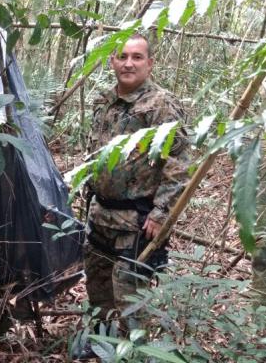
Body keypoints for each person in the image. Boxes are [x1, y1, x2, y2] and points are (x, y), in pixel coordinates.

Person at [79, 33, 190, 346]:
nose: (128, 63)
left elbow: (178, 163)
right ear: (113, 61)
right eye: (122, 56)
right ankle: (98, 345)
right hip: (101, 213)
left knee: (130, 298)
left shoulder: (162, 105)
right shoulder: (103, 101)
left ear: (150, 63)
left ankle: (134, 352)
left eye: (137, 57)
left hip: (139, 220)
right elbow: (93, 151)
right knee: (98, 291)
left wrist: (162, 212)